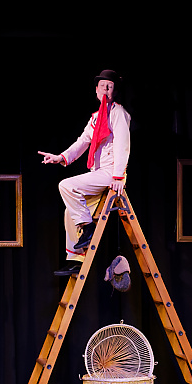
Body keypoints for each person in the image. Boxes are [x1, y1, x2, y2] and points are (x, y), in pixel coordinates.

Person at [38, 69, 131, 277]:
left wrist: (119, 176)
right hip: (98, 172)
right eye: (102, 86)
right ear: (96, 90)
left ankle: (88, 228)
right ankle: (76, 260)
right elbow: (82, 142)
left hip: (110, 173)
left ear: (115, 91)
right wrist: (60, 157)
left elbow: (123, 144)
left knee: (66, 185)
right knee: (69, 212)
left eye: (110, 86)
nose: (105, 89)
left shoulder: (118, 113)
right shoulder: (96, 118)